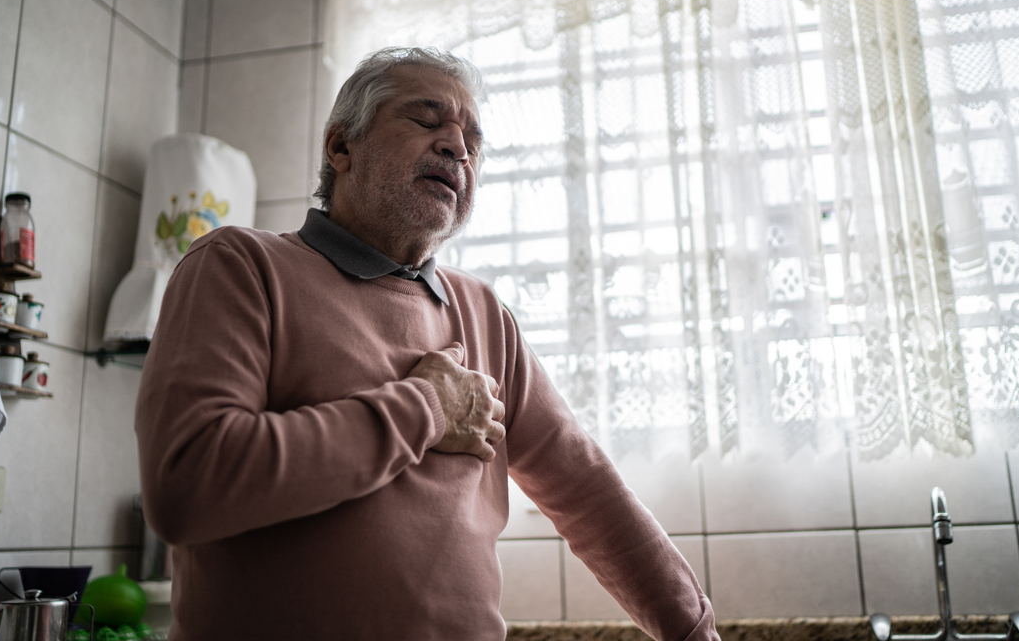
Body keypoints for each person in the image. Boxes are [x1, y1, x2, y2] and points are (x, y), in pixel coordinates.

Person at [135, 47, 721, 641]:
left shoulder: (485, 313)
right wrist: (427, 407)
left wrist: (697, 633)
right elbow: (186, 487)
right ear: (341, 146)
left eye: (473, 142)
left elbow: (589, 492)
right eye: (425, 119)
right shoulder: (238, 265)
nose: (457, 147)